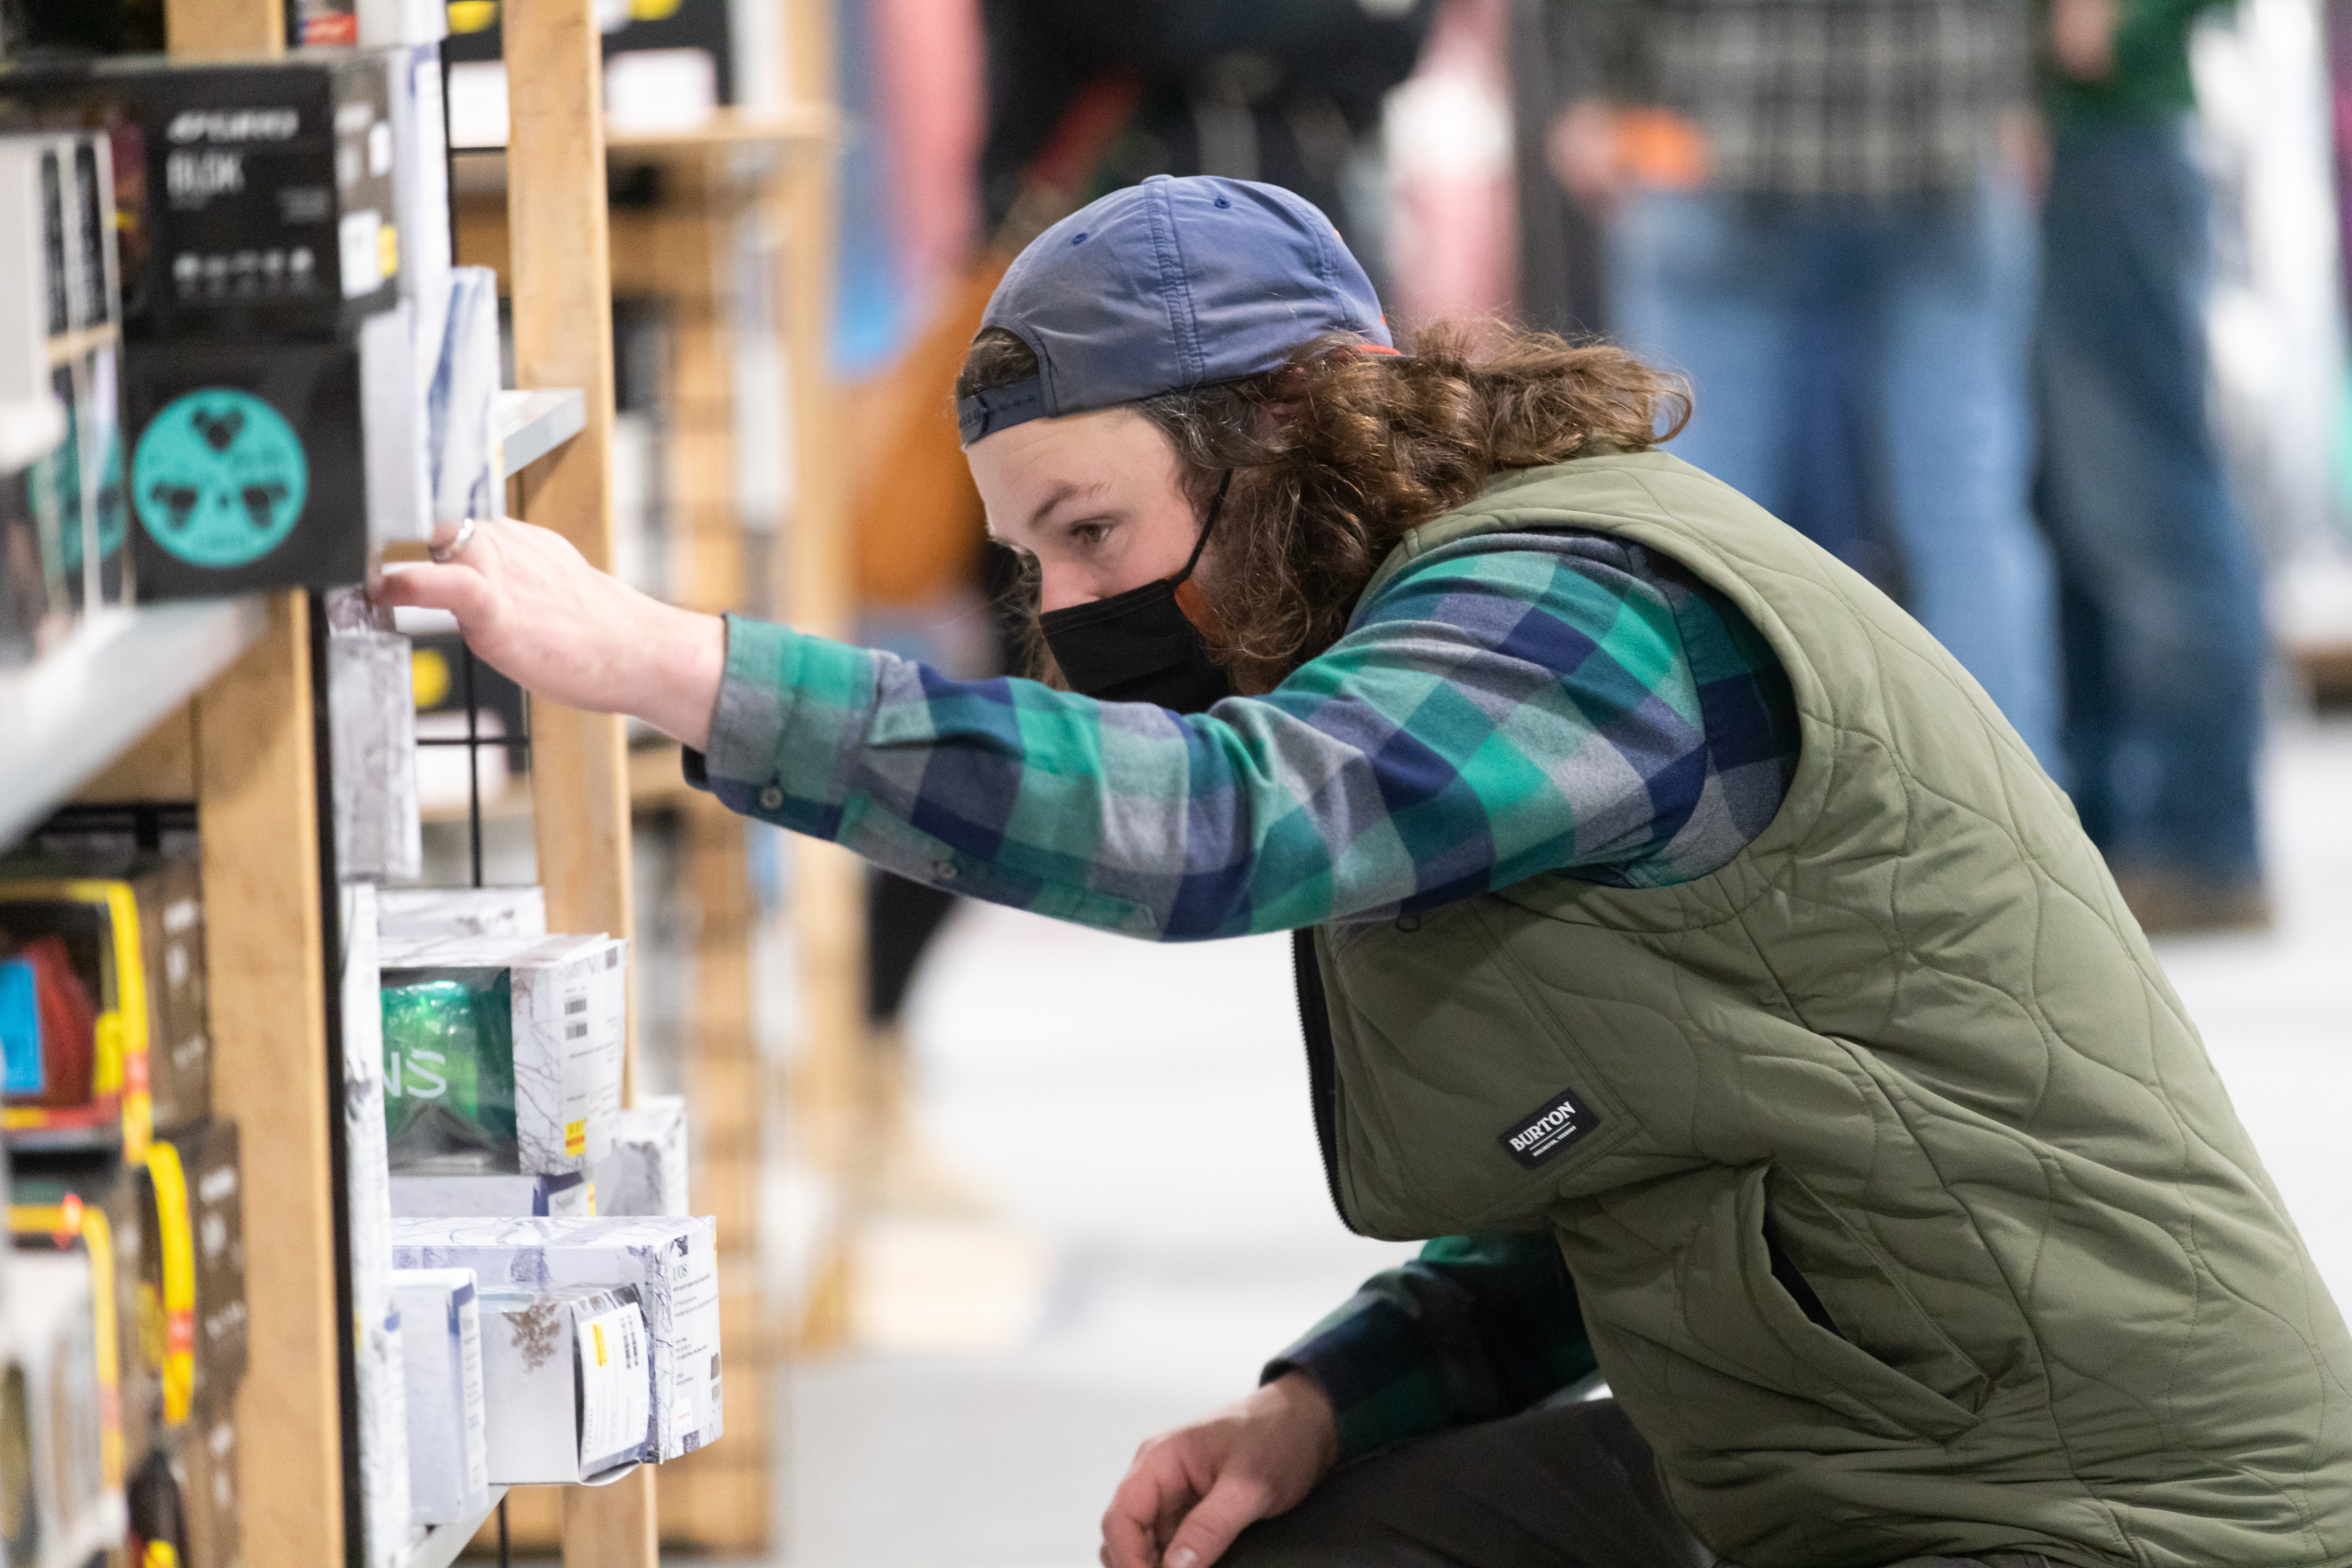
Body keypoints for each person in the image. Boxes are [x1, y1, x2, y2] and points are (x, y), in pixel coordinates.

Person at [381, 175, 2352, 1568]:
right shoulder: (1450, 637)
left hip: (2093, 1504)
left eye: (1089, 529)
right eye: (1030, 562)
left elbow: (1212, 824)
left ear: (1285, 432)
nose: (1065, 613)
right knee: (1312, 1527)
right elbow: (1643, 1182)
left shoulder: (1578, 612)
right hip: (1852, 1455)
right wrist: (1326, 1397)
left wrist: (668, 665)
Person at [1544, 0, 2061, 770]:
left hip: (1720, 120)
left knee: (1697, 520)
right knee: (1965, 518)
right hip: (1946, 126)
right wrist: (2016, 78)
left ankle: (1689, 843)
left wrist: (1606, 86)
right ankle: (2020, 847)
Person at [2036, 0, 2270, 933]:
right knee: (2070, 515)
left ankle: (2200, 841)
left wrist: (2118, 24)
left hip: (2108, 134)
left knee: (2146, 506)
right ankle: (2111, 826)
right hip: (2060, 137)